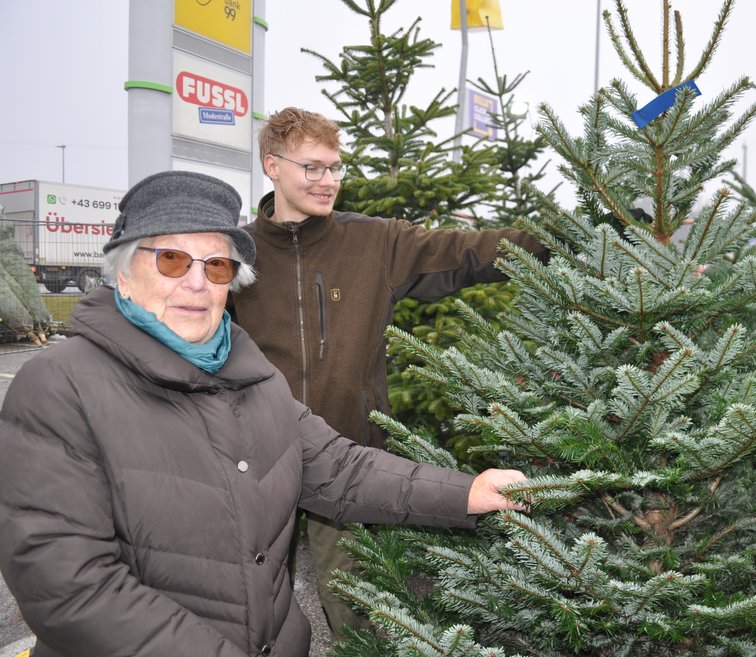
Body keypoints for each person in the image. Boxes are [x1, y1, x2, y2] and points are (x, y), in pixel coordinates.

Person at [0, 170, 528, 657]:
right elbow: (69, 588)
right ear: (122, 274)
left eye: (217, 265)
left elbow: (342, 469)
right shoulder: (59, 386)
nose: (197, 282)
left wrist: (468, 492)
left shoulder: (250, 374)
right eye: (172, 260)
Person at [227, 106, 549, 637]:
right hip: (259, 463)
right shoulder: (237, 254)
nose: (327, 180)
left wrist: (568, 237)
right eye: (312, 167)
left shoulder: (375, 242)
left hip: (350, 458)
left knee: (359, 613)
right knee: (251, 609)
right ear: (272, 166)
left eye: (334, 167)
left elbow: (467, 251)